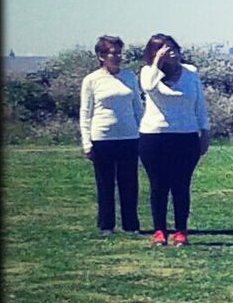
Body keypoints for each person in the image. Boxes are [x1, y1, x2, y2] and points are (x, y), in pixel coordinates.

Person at [138, 34, 210, 247]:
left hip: (186, 136)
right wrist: (158, 63)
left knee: (181, 185)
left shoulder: (191, 73)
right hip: (154, 136)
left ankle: (181, 230)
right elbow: (149, 87)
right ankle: (159, 230)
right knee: (158, 185)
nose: (169, 51)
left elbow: (199, 105)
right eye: (161, 49)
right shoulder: (147, 73)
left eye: (171, 47)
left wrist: (204, 132)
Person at [79, 34, 143, 236]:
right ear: (101, 56)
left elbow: (137, 107)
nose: (116, 57)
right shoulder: (91, 80)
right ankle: (106, 225)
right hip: (103, 138)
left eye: (118, 53)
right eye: (111, 53)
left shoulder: (129, 77)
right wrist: (87, 143)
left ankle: (131, 225)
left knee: (130, 183)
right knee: (105, 183)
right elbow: (85, 113)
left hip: (129, 137)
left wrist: (143, 132)